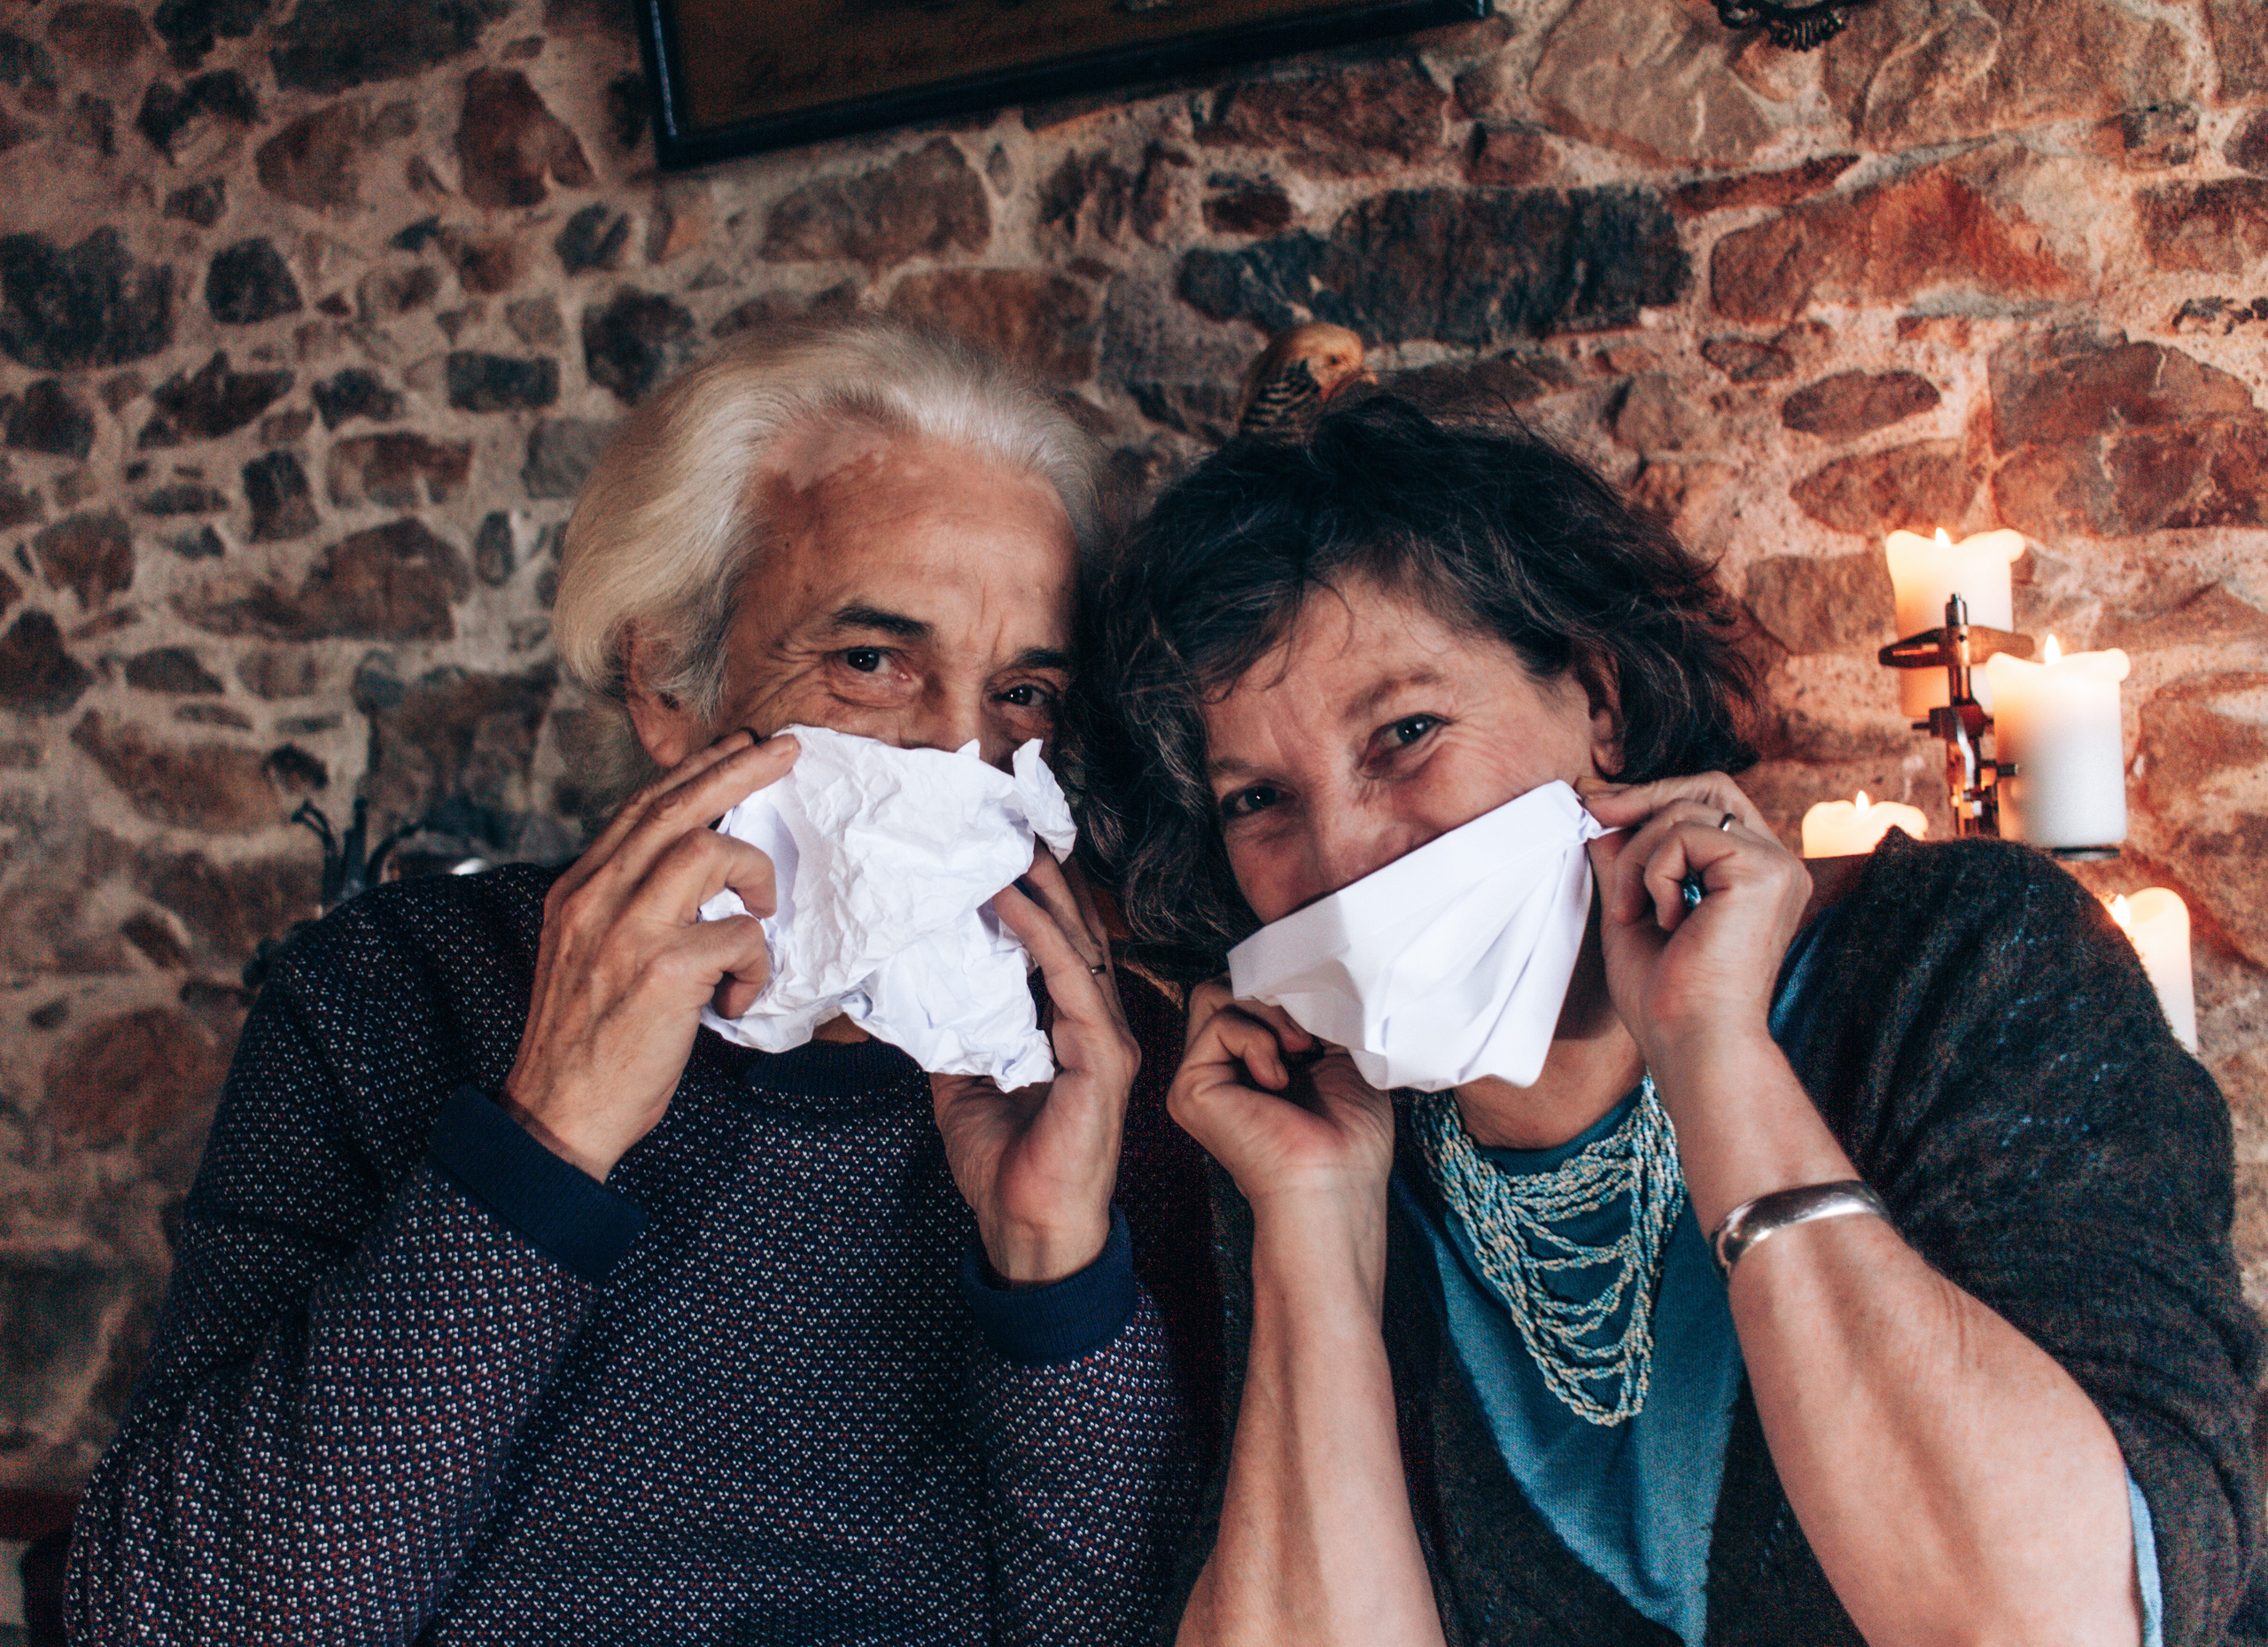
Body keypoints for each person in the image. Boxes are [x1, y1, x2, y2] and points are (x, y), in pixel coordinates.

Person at [68, 318, 1209, 1643]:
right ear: (668, 681)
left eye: (1022, 694)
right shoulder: (391, 994)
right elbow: (180, 1626)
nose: (960, 756)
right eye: (871, 663)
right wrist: (545, 1142)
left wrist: (1052, 1267)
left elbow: (1133, 1625)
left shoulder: (1089, 1064)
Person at [1079, 394, 2263, 1645]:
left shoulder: (1959, 960)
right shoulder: (1320, 1137)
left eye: (1407, 734)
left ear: (1598, 700)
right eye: (1259, 798)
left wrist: (1713, 1051)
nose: (1346, 853)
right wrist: (1314, 1229)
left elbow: (2051, 1619)